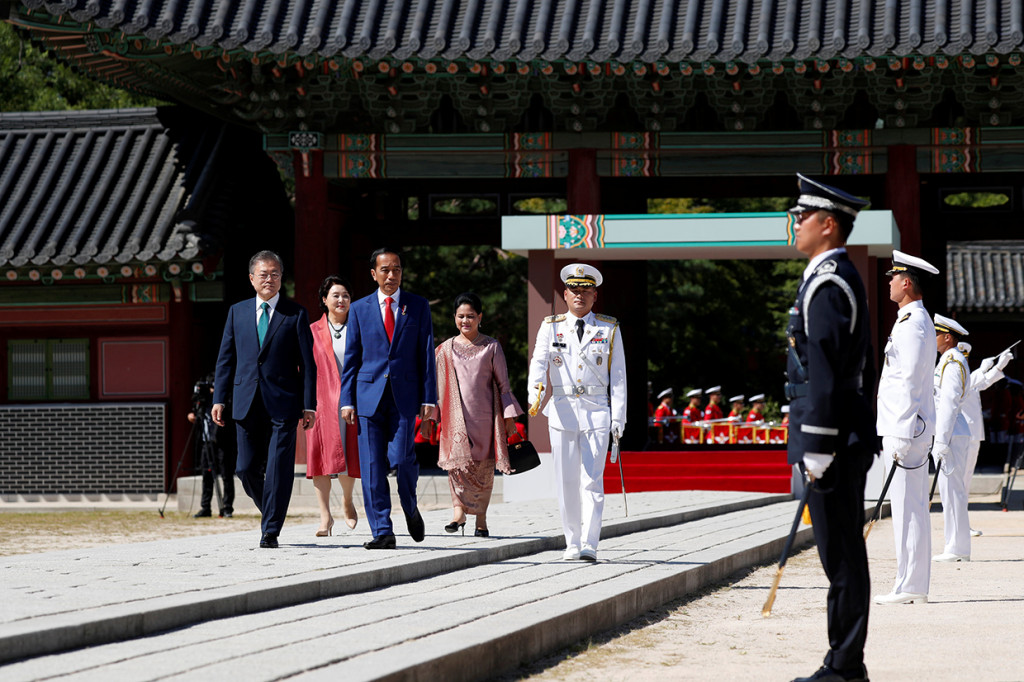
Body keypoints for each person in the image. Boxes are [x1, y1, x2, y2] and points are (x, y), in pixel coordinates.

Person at [783, 173, 876, 682]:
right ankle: (844, 662)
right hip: (837, 435)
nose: (795, 224)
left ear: (828, 223)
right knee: (840, 554)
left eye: (802, 217)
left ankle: (843, 666)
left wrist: (818, 445)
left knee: (840, 557)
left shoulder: (829, 281)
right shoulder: (829, 276)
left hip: (833, 440)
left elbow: (824, 367)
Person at [212, 250, 317, 549]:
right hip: (245, 401)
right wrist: (219, 398)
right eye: (263, 274)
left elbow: (307, 364)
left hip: (283, 403)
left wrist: (309, 404)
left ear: (281, 278)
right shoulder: (237, 312)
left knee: (278, 468)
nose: (269, 279)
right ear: (251, 279)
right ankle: (271, 511)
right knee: (244, 468)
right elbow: (225, 359)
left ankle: (270, 530)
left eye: (275, 274)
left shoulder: (295, 313)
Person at [527, 263, 627, 562]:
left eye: (586, 291)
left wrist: (619, 417)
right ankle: (571, 542)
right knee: (566, 481)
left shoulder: (608, 328)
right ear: (565, 294)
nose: (579, 295)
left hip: (597, 412)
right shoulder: (552, 326)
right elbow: (538, 362)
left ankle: (590, 543)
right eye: (574, 290)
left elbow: (619, 376)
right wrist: (535, 394)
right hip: (562, 410)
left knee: (592, 481)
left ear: (594, 296)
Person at [340, 248, 437, 550]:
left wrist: (430, 398)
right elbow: (352, 359)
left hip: (405, 396)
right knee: (371, 465)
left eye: (396, 269)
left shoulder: (417, 306)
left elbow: (426, 353)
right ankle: (382, 530)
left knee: (401, 458)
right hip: (367, 397)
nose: (391, 275)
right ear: (374, 274)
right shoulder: (358, 309)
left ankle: (409, 505)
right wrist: (347, 399)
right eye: (385, 270)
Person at [875, 249, 939, 605]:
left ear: (907, 282)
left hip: (906, 430)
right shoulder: (910, 320)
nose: (889, 283)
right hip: (907, 427)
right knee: (908, 507)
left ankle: (909, 584)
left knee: (907, 507)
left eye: (893, 278)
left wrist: (900, 429)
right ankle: (910, 583)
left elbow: (912, 380)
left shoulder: (913, 322)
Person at [434, 292, 523, 537]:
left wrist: (508, 419)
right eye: (461, 316)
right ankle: (457, 512)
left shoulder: (491, 346)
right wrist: (431, 417)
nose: (465, 321)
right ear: (454, 317)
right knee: (457, 467)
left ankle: (481, 520)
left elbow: (503, 385)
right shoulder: (444, 350)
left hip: (485, 418)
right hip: (454, 419)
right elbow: (434, 387)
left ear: (480, 317)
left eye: (470, 316)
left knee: (483, 469)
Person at [305, 276, 361, 537]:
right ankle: (325, 516)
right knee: (319, 457)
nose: (341, 300)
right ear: (324, 300)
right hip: (321, 403)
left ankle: (348, 501)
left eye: (346, 295)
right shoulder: (311, 331)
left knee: (349, 454)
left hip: (352, 401)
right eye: (336, 295)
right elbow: (304, 369)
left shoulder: (358, 327)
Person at [958, 341, 1011, 536]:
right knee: (960, 482)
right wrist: (987, 368)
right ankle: (959, 526)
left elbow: (982, 383)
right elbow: (971, 384)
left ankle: (962, 525)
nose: (963, 360)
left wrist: (998, 366)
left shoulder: (969, 377)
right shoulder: (958, 376)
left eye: (965, 357)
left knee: (966, 481)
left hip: (972, 434)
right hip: (961, 434)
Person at [931, 314, 973, 562]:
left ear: (947, 337)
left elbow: (948, 403)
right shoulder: (947, 360)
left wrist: (942, 440)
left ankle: (957, 548)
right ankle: (954, 545)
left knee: (952, 491)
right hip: (950, 431)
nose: (933, 338)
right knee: (949, 491)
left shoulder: (953, 361)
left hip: (952, 432)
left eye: (937, 334)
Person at [189, 374, 236, 519]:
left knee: (226, 474)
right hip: (206, 441)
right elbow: (196, 409)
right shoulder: (204, 400)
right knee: (206, 474)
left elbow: (230, 413)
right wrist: (192, 414)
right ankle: (205, 507)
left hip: (222, 441)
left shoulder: (226, 397)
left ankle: (227, 508)